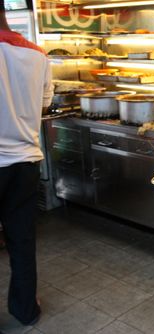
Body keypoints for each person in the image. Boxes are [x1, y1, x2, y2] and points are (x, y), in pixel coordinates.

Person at [0, 0, 53, 326]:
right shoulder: (37, 54)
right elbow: (44, 103)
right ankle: (25, 311)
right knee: (21, 239)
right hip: (25, 162)